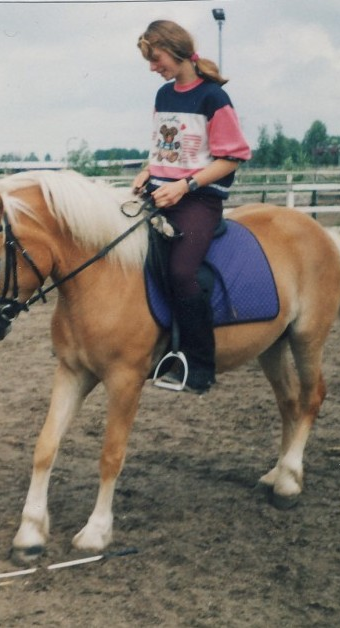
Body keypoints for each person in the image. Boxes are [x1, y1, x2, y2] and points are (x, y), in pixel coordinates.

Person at [133, 19, 251, 394]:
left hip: (198, 200)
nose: (154, 68)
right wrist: (146, 170)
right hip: (160, 193)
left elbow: (232, 157)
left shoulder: (213, 97)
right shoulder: (164, 96)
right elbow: (165, 149)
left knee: (182, 271)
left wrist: (185, 185)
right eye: (150, 62)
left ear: (176, 49)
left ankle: (199, 366)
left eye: (156, 58)